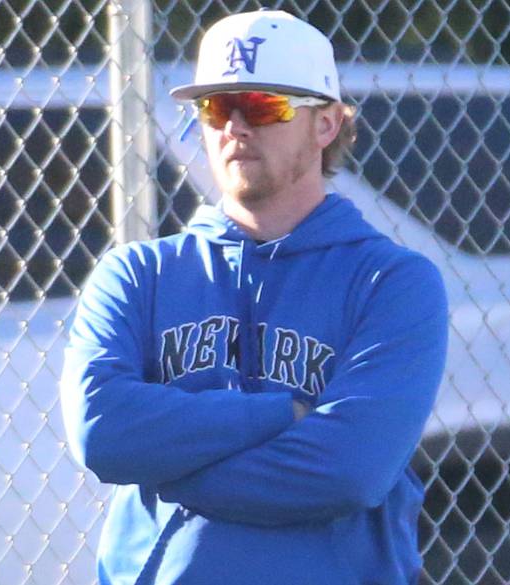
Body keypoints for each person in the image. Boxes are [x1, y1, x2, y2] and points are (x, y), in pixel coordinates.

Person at [61, 9, 448, 585]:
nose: (235, 128)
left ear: (326, 124)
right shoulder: (138, 274)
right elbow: (101, 429)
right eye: (217, 109)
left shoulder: (391, 282)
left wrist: (169, 466)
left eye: (263, 106)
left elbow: (350, 468)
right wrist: (280, 414)